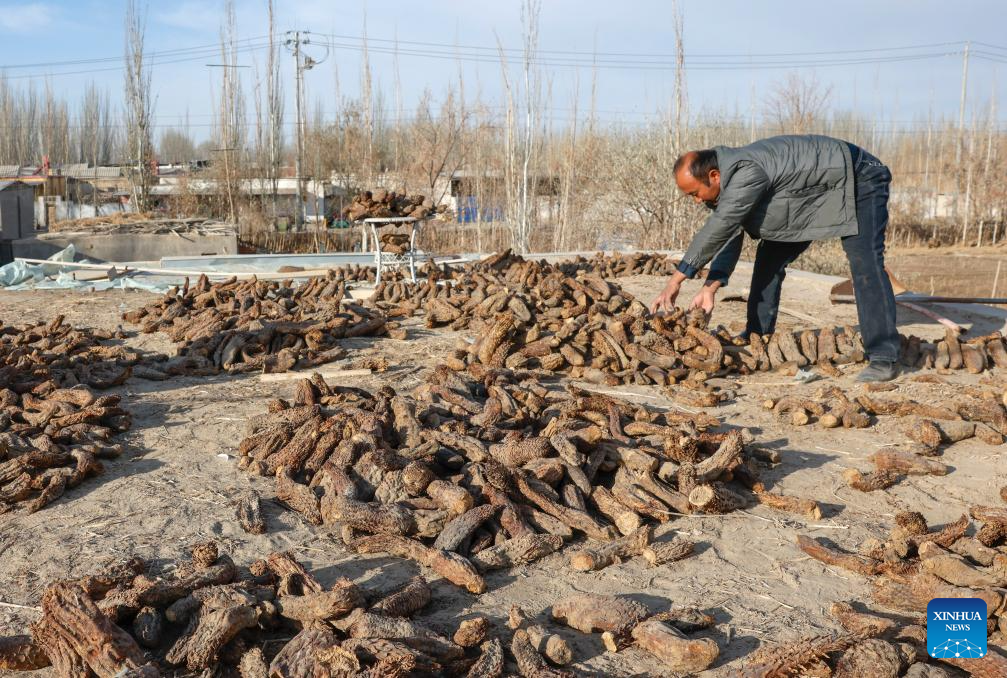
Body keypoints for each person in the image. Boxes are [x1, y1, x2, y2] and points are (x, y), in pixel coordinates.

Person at [650, 134, 899, 382]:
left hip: (859, 177)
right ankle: (758, 336)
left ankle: (883, 356)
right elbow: (729, 234)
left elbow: (721, 225)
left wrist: (676, 280)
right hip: (809, 196)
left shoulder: (745, 172)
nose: (696, 201)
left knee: (865, 262)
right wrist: (710, 287)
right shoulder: (725, 184)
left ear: (714, 175)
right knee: (769, 259)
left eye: (695, 193)